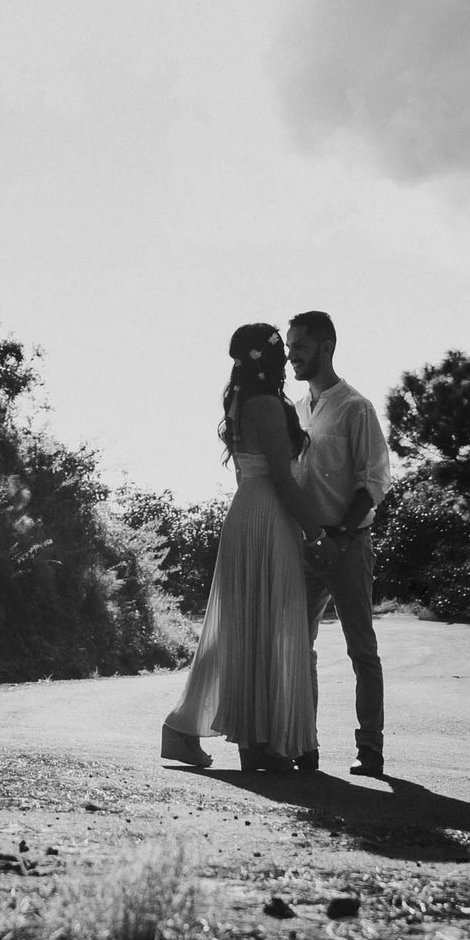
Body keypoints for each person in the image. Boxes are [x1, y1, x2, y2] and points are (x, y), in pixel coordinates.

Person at [159, 324, 322, 772]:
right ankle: (257, 739)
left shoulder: (238, 400)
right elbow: (283, 479)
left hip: (248, 508)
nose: (287, 360)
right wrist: (317, 532)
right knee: (268, 624)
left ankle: (253, 740)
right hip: (268, 514)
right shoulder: (268, 404)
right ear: (267, 360)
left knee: (249, 626)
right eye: (280, 353)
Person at [287, 309, 393, 776]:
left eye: (300, 348)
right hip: (306, 547)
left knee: (361, 649)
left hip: (349, 546)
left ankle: (369, 747)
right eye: (290, 347)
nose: (291, 356)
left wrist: (339, 534)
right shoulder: (297, 409)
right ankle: (305, 746)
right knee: (298, 646)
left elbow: (374, 482)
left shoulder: (356, 407)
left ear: (326, 348)